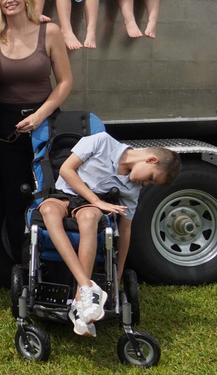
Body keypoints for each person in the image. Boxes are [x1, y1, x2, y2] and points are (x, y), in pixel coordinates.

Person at [39, 132, 181, 336]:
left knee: (89, 218)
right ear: (151, 160)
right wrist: (96, 200)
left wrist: (118, 275)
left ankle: (81, 301)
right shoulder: (101, 141)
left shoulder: (132, 188)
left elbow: (125, 229)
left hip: (89, 207)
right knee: (48, 211)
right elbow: (66, 170)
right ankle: (86, 285)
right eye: (151, 178)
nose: (146, 183)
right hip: (65, 194)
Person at [0, 0, 72, 257]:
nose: (9, 0)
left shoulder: (50, 32)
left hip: (46, 122)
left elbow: (65, 82)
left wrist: (39, 116)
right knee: (13, 193)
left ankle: (55, 259)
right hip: (6, 126)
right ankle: (21, 265)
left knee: (51, 192)